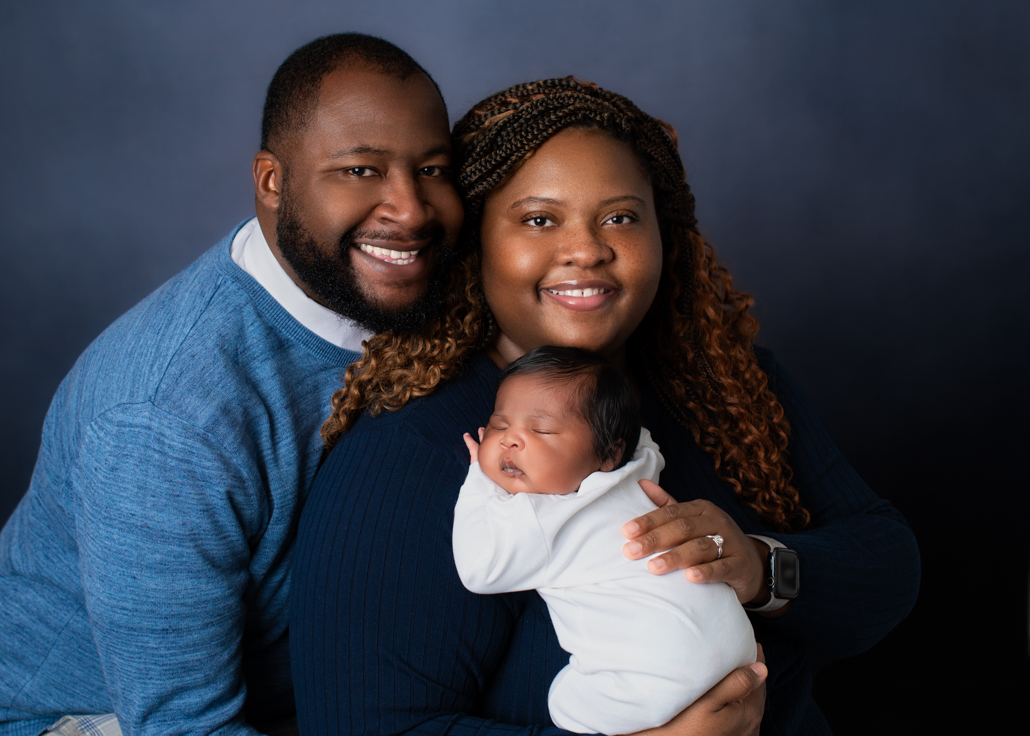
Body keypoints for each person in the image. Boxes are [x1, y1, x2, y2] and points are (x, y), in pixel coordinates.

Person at [290, 77, 920, 736]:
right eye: (539, 219)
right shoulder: (410, 460)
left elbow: (888, 571)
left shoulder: (726, 386)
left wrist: (759, 568)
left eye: (620, 216)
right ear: (474, 246)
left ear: (663, 233)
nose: (586, 249)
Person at [0, 33, 463, 736]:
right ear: (273, 182)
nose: (411, 207)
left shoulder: (409, 295)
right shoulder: (166, 417)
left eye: (432, 168)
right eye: (360, 170)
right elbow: (184, 727)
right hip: (88, 719)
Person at [454, 346, 757, 735]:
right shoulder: (639, 470)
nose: (510, 441)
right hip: (737, 650)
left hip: (656, 682)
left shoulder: (539, 519)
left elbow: (478, 570)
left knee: (563, 703)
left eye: (540, 430)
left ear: (608, 453)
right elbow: (643, 441)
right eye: (498, 425)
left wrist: (479, 479)